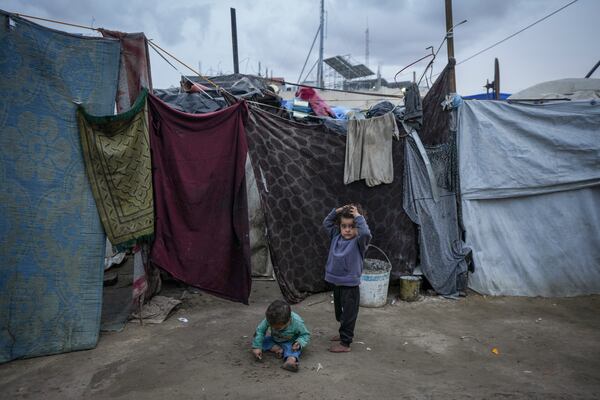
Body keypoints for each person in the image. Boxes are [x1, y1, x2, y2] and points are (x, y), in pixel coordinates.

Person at [323, 204, 372, 352]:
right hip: (337, 282)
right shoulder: (336, 236)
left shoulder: (359, 242)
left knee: (349, 314)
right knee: (340, 312)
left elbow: (365, 234)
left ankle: (345, 343)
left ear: (357, 226)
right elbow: (326, 223)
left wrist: (358, 217)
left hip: (350, 285)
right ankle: (343, 331)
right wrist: (336, 211)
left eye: (352, 226)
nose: (347, 230)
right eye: (344, 226)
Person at [251, 299, 311, 372]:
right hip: (274, 339)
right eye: (272, 326)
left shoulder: (297, 322)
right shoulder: (270, 319)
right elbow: (260, 331)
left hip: (290, 342)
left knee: (293, 350)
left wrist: (299, 342)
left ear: (288, 320)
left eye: (278, 328)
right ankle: (278, 349)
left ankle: (290, 361)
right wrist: (257, 347)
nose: (274, 328)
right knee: (259, 340)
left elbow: (305, 334)